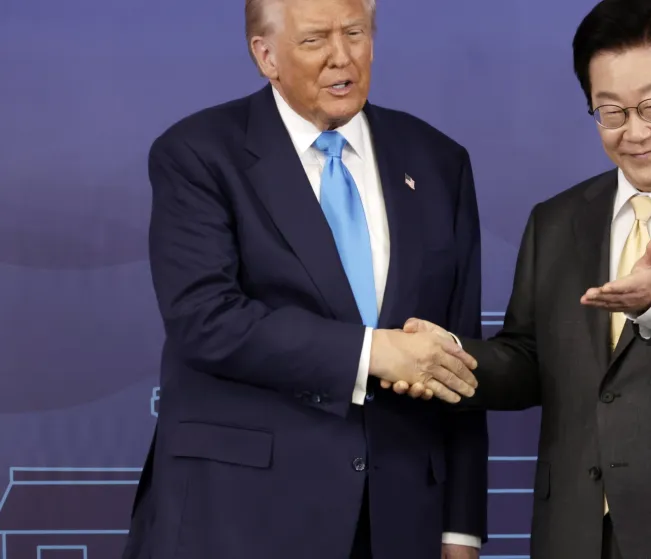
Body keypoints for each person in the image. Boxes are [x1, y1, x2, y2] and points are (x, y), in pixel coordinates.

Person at [388, 0, 651, 557]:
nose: (634, 132)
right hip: (577, 531)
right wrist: (449, 362)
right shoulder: (558, 220)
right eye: (610, 112)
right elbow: (527, 362)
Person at [121, 0, 488, 558]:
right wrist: (372, 354)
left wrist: (460, 526)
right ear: (264, 55)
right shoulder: (198, 154)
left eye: (356, 33)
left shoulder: (438, 160)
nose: (342, 57)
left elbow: (459, 353)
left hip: (398, 518)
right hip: (239, 516)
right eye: (315, 40)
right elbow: (205, 319)